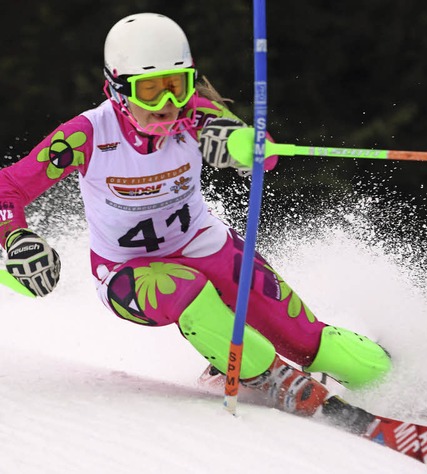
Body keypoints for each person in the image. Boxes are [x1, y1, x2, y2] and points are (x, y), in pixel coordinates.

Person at [0, 12, 391, 416]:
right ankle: (264, 373)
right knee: (185, 289)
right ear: (118, 90)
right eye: (150, 92)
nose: (167, 105)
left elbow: (262, 153)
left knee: (306, 340)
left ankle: (394, 377)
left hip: (207, 246)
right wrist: (16, 237)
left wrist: (244, 146)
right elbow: (7, 185)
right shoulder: (88, 135)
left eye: (177, 86)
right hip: (126, 272)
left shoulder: (198, 116)